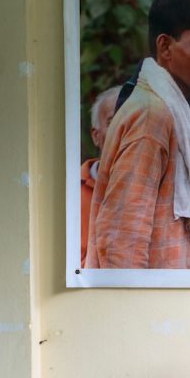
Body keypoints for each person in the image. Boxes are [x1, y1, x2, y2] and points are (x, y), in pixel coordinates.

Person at [86, 0, 190, 269]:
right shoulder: (151, 117)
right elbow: (122, 240)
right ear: (165, 47)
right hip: (144, 294)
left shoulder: (162, 108)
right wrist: (137, 300)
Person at [80, 86, 120, 265]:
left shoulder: (164, 189)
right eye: (114, 122)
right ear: (96, 136)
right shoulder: (69, 190)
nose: (126, 130)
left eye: (135, 122)